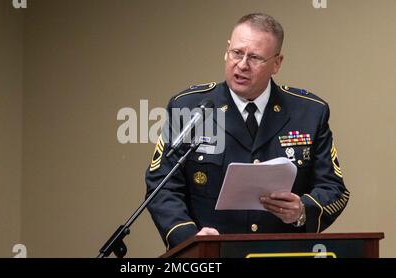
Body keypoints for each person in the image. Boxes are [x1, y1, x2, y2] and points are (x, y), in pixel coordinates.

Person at [145, 13, 350, 250]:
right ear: (226, 50)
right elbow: (161, 185)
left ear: (276, 63)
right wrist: (189, 239)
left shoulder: (310, 113)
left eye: (254, 57)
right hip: (211, 256)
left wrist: (303, 210)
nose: (242, 65)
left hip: (281, 254)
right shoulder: (188, 108)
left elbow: (334, 189)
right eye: (236, 53)